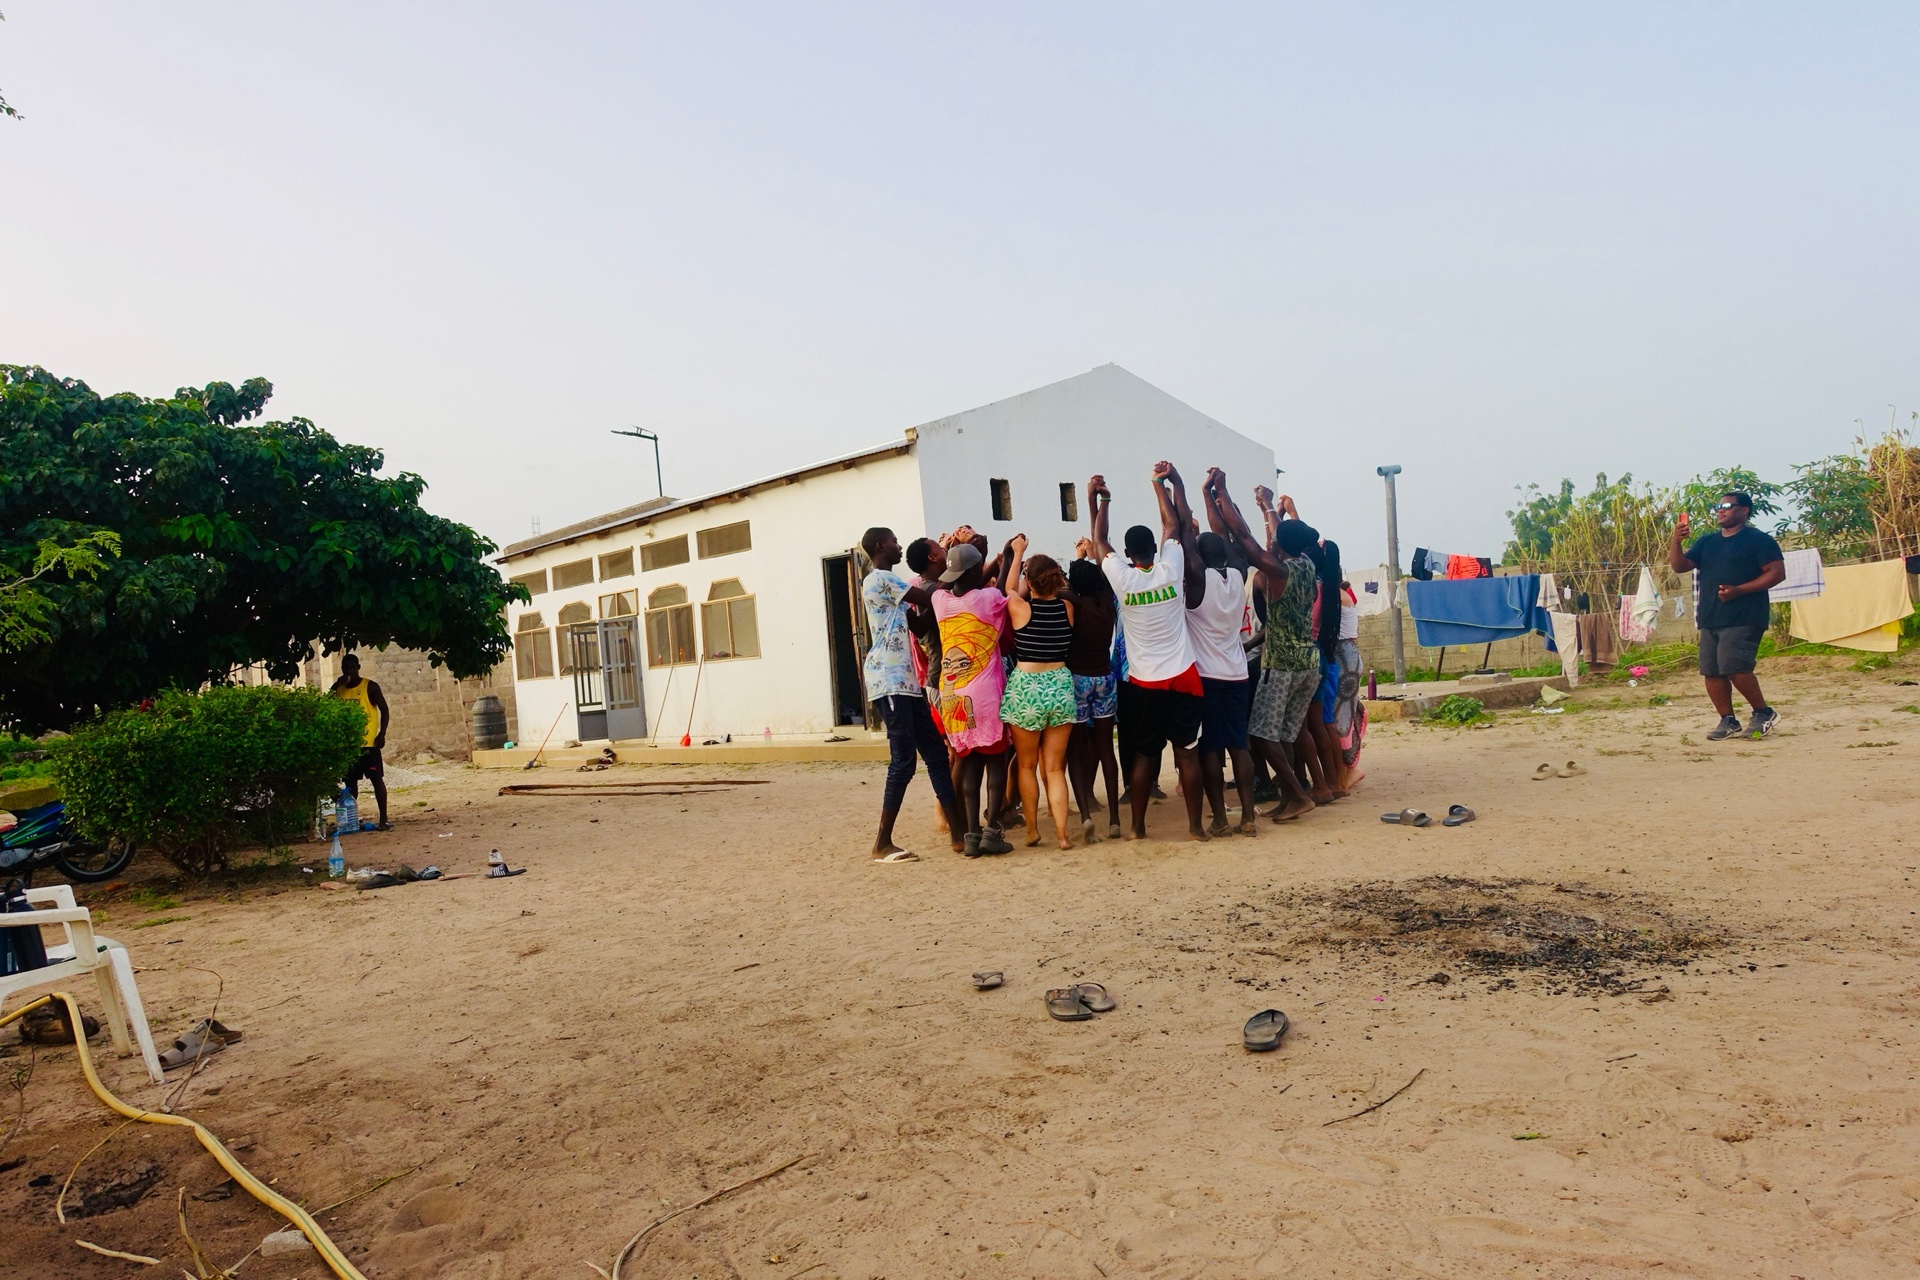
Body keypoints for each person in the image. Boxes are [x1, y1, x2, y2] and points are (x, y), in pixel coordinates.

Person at [1091, 463, 1211, 841]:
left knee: (1144, 756)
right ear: (1153, 550)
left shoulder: (1122, 579)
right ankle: (1195, 828)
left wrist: (1102, 499)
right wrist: (1162, 483)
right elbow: (1173, 527)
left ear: (1128, 553)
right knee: (1187, 754)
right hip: (1184, 676)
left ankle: (1138, 829)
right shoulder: (1170, 569)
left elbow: (1099, 542)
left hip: (1145, 682)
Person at [1206, 472, 1320, 822]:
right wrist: (1268, 505)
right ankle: (1290, 796)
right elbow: (1270, 539)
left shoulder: (1278, 570)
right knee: (1284, 732)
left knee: (1260, 733)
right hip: (1307, 662)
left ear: (1280, 546)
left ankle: (1299, 797)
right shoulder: (1307, 564)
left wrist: (1222, 491)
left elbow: (1244, 538)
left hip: (1281, 663)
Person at [860, 527, 966, 861]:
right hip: (889, 679)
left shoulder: (892, 591)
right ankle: (882, 843)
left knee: (935, 754)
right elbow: (930, 597)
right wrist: (954, 563)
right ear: (881, 546)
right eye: (894, 542)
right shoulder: (880, 580)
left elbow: (919, 626)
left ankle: (960, 835)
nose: (899, 546)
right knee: (903, 761)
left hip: (905, 682)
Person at [1669, 492, 1785, 739]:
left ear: (1744, 510)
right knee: (1711, 671)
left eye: (1726, 506)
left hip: (1745, 615)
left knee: (1735, 667)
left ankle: (1763, 712)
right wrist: (1676, 541)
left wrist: (1740, 590)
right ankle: (1728, 720)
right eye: (1717, 506)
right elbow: (1680, 567)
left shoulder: (1757, 540)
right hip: (1711, 615)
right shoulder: (1707, 542)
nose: (1720, 510)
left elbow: (1776, 573)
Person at [931, 542, 1016, 856]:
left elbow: (943, 585)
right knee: (995, 762)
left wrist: (952, 563)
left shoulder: (939, 600)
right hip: (984, 694)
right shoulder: (988, 598)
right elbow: (1004, 588)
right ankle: (992, 831)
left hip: (952, 693)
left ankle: (970, 835)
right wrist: (1005, 558)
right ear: (975, 571)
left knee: (967, 764)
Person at [999, 540, 1078, 849]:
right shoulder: (1067, 607)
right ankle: (1062, 834)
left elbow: (1008, 590)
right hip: (1059, 683)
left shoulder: (1020, 608)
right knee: (1056, 768)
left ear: (1029, 581)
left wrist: (1018, 554)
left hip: (1027, 686)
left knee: (1026, 765)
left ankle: (1032, 829)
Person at [1188, 503, 1257, 837]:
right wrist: (1216, 497)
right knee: (1239, 745)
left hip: (1207, 676)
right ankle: (1248, 816)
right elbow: (1231, 540)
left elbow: (1189, 547)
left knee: (1210, 750)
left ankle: (1219, 817)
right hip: (1237, 673)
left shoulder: (1199, 585)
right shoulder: (1238, 577)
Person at [1064, 549, 1122, 843]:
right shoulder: (1108, 605)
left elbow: (1063, 588)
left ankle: (1086, 814)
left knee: (1076, 751)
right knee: (1105, 749)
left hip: (1077, 679)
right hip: (1105, 678)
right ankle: (1114, 818)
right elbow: (1108, 583)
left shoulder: (1074, 602)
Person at [330, 654, 391, 831]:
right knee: (350, 785)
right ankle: (352, 820)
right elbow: (325, 704)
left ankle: (384, 819)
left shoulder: (370, 686)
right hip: (349, 745)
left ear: (358, 667)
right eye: (345, 668)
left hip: (368, 744)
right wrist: (336, 685)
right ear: (342, 669)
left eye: (352, 667)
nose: (349, 671)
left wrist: (382, 734)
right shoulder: (339, 689)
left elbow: (385, 710)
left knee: (376, 779)